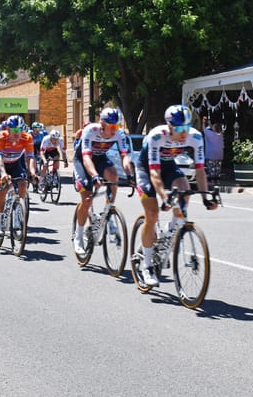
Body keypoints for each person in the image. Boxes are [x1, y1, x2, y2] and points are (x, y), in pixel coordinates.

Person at [135, 104, 218, 287]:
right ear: (170, 126)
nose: (184, 132)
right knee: (152, 213)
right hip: (146, 170)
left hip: (169, 167)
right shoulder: (157, 136)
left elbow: (200, 170)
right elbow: (154, 174)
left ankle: (168, 231)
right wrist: (164, 197)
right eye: (180, 128)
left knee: (184, 189)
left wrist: (206, 197)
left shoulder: (195, 137)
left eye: (187, 127)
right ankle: (147, 266)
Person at [72, 107, 134, 255]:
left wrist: (130, 175)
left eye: (117, 126)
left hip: (100, 158)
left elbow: (124, 156)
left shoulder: (119, 134)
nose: (114, 130)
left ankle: (108, 210)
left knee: (114, 176)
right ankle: (78, 236)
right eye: (111, 126)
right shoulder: (91, 131)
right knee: (87, 200)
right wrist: (94, 176)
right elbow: (86, 157)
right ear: (102, 124)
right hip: (83, 160)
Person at [0, 115, 36, 236]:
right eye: (14, 130)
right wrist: (3, 173)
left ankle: (17, 216)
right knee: (3, 188)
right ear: (8, 130)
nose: (17, 133)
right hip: (0, 163)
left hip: (15, 162)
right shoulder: (0, 137)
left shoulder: (27, 138)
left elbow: (30, 157)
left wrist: (32, 172)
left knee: (22, 184)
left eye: (20, 130)